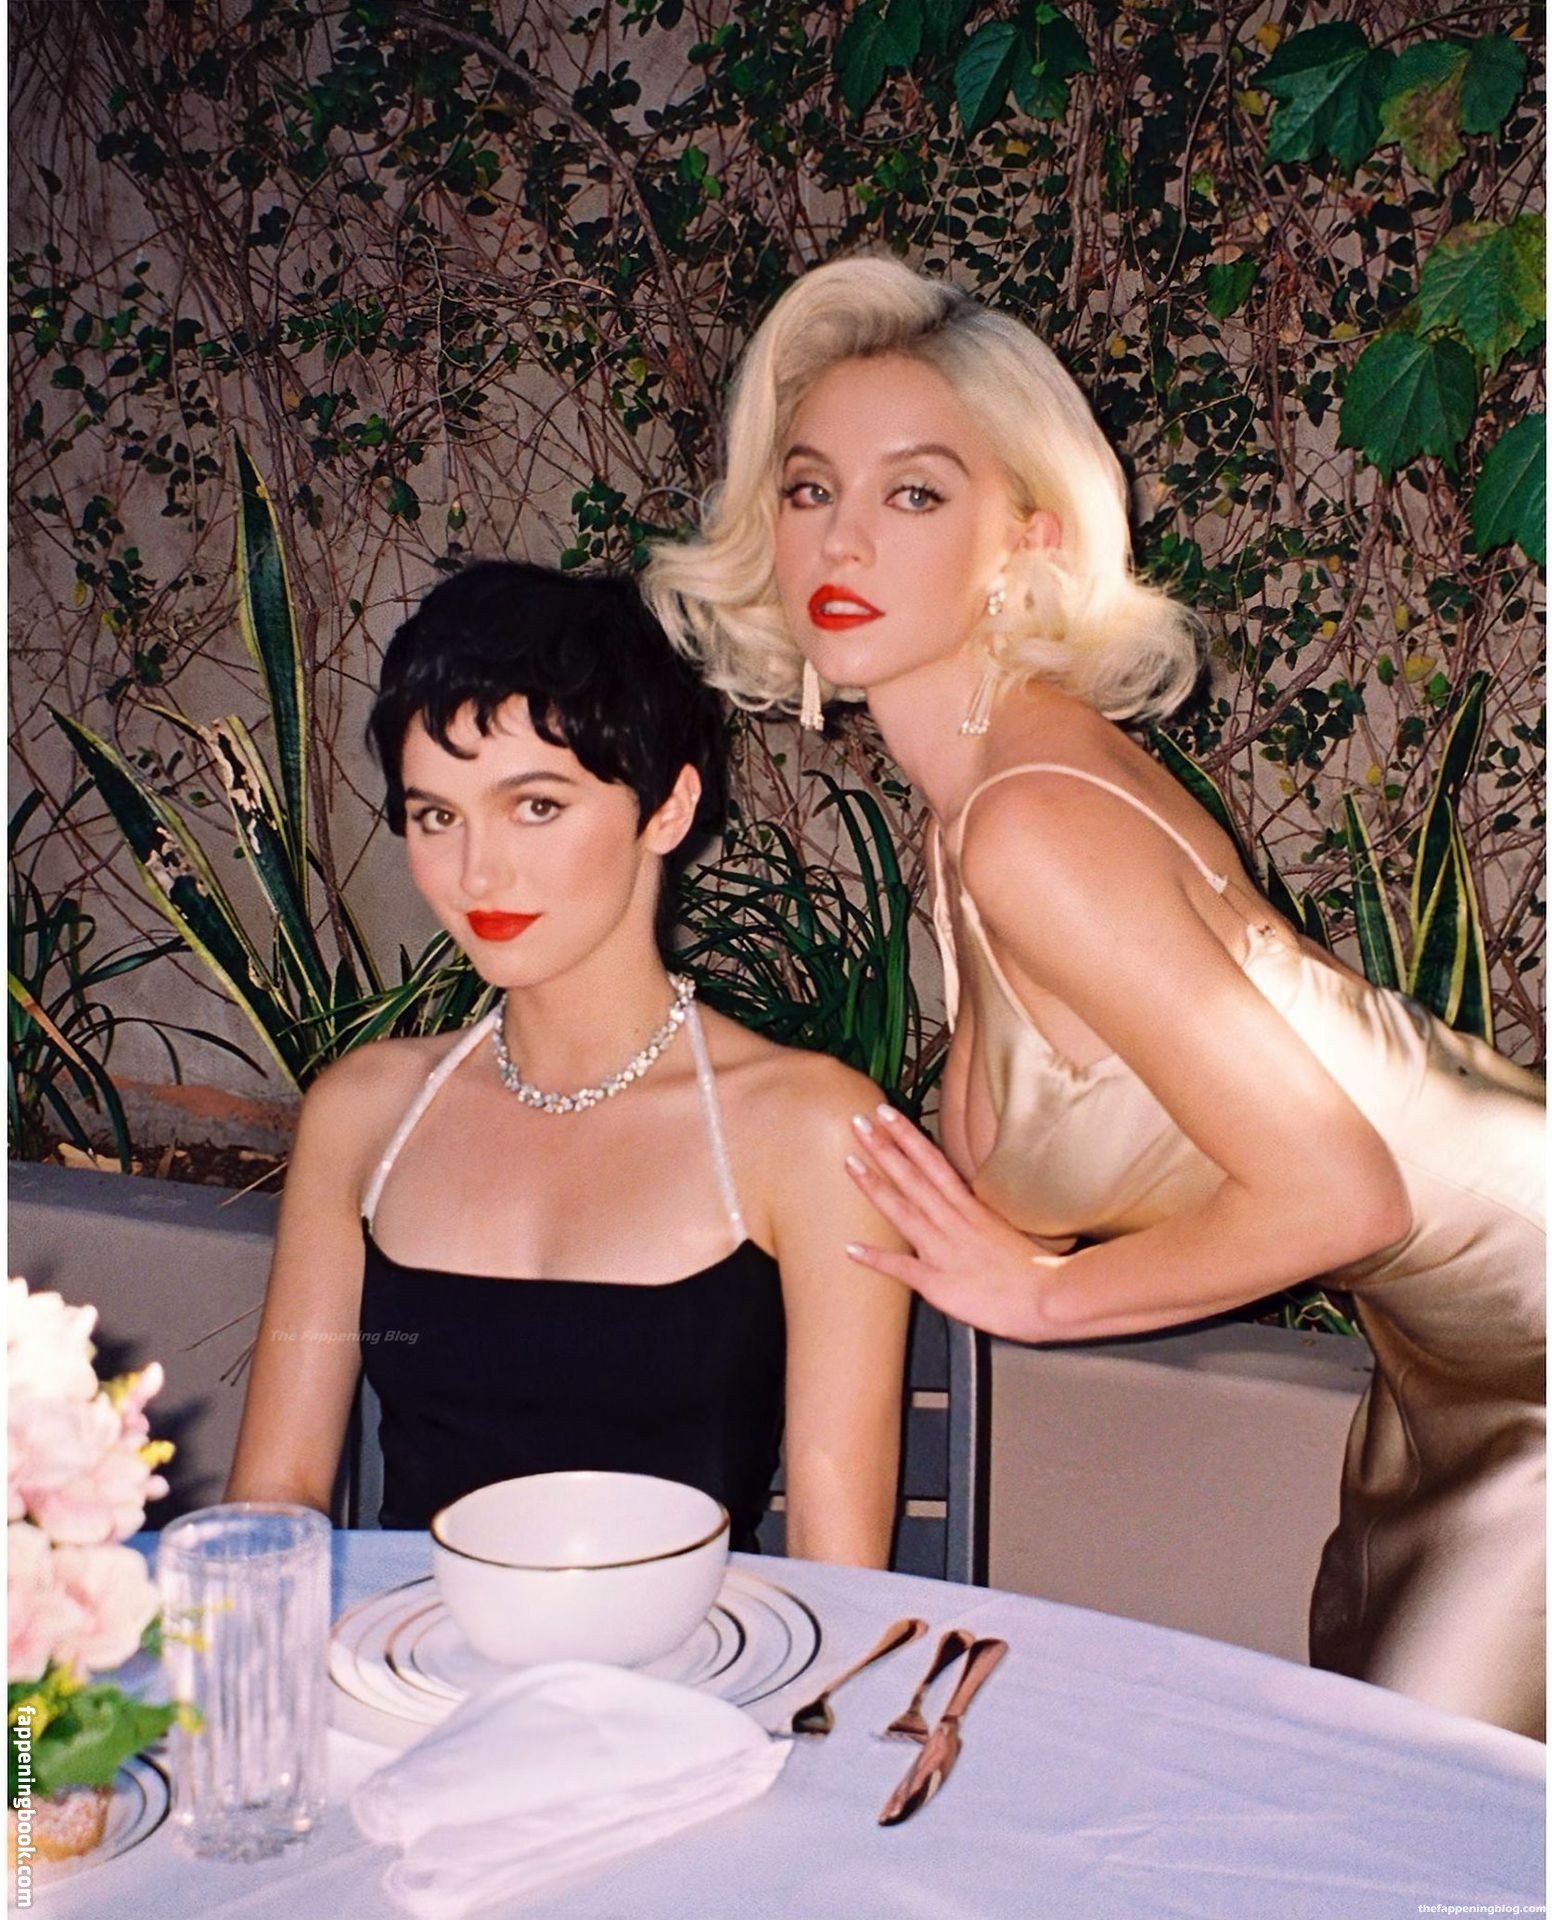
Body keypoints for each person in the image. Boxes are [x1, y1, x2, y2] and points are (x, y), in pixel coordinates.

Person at [643, 255, 1546, 1734]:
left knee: (1423, 1805)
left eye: (915, 492)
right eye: (809, 489)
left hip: (1535, 1338)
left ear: (1029, 538)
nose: (842, 538)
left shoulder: (1031, 822)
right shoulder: (979, 802)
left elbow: (1343, 1195)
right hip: (1452, 1358)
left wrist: (1045, 1298)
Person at [226, 560, 911, 1567]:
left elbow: (834, 1565)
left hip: (692, 1661)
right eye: (437, 816)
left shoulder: (806, 1129)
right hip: (405, 1656)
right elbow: (274, 1496)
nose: (478, 872)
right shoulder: (363, 1115)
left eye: (535, 806)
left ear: (667, 808)